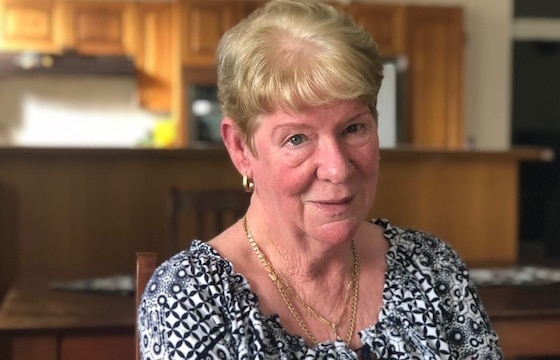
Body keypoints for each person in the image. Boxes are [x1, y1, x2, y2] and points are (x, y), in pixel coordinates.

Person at [137, 0, 504, 358]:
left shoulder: (434, 268)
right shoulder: (190, 298)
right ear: (241, 149)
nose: (337, 169)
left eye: (353, 128)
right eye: (296, 138)